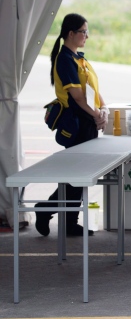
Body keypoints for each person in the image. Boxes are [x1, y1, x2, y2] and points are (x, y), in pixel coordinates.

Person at [34, 13, 108, 237]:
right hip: (77, 124)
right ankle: (47, 210)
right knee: (76, 175)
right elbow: (77, 97)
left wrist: (103, 110)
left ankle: (67, 221)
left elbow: (93, 91)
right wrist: (97, 115)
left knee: (79, 175)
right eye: (83, 31)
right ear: (71, 34)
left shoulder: (79, 58)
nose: (87, 35)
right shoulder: (65, 60)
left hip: (88, 122)